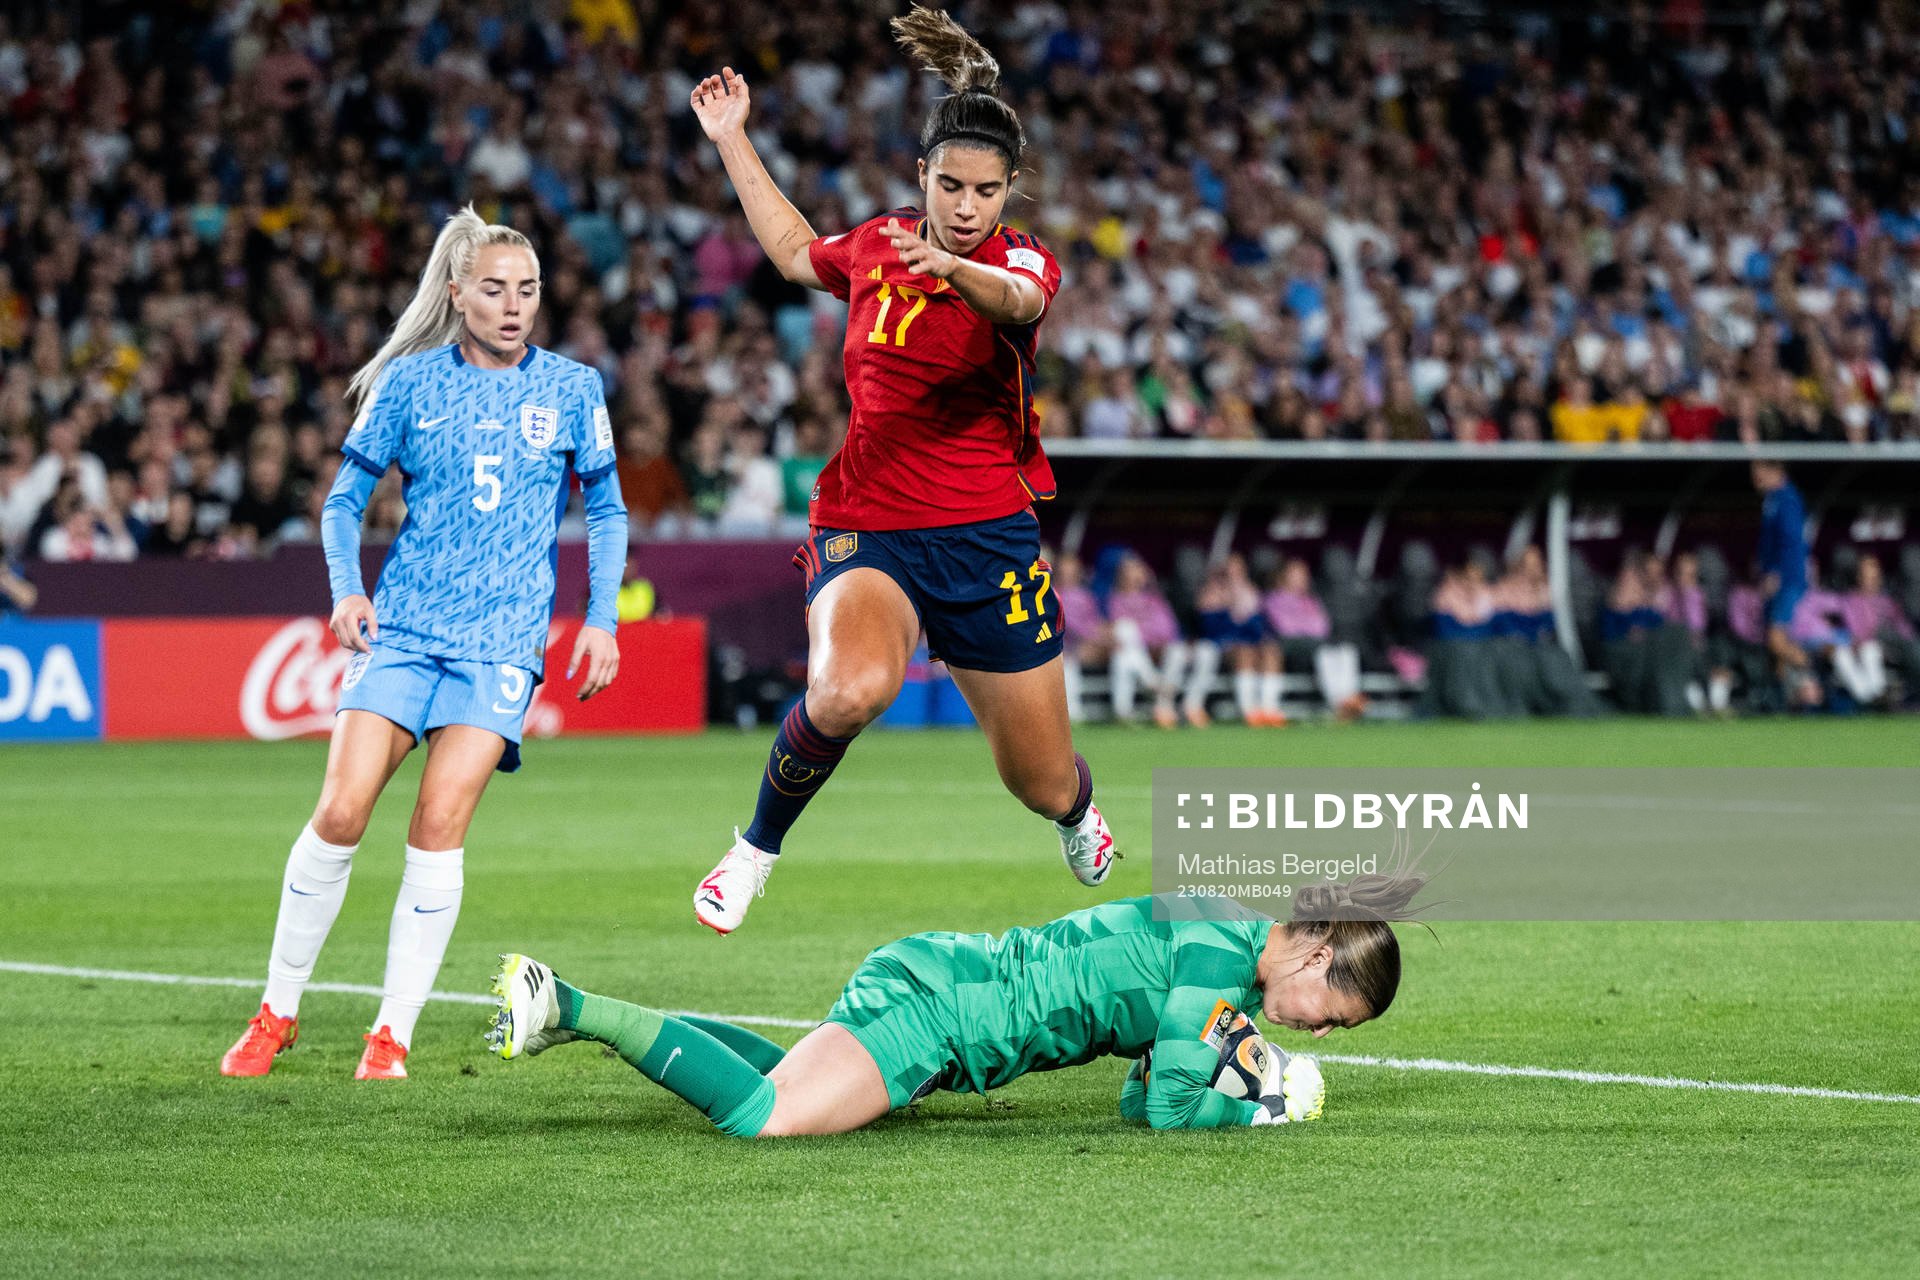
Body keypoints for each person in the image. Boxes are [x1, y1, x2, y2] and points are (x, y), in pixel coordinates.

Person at [685, 7, 1113, 934]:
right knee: (847, 690)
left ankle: (1079, 811)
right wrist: (733, 141)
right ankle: (754, 850)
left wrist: (954, 272)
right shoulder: (879, 245)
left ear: (1009, 192)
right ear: (922, 175)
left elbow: (1019, 298)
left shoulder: (1021, 263)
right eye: (950, 185)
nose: (966, 207)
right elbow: (799, 253)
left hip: (987, 539)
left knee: (1038, 781)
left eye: (987, 191)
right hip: (869, 523)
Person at [218, 207, 628, 1082]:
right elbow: (340, 504)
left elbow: (608, 508)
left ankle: (390, 1035)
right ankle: (276, 1011)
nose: (513, 305)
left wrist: (601, 620)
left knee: (439, 822)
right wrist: (345, 591)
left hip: (504, 643)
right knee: (340, 812)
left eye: (527, 290)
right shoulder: (408, 384)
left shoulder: (571, 387)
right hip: (404, 627)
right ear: (457, 295)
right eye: (494, 290)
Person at [486, 872, 1426, 1137]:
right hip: (946, 1014)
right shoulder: (1213, 974)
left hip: (945, 981)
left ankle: (573, 1011)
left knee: (781, 1072)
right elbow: (1176, 1112)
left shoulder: (1220, 942)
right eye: (1331, 1012)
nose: (1318, 1030)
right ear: (1311, 949)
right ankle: (566, 999)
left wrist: (1232, 1059)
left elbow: (1140, 1095)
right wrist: (1258, 1107)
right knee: (766, 1117)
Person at [1107, 550, 1217, 728]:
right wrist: (1148, 632)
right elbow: (1117, 628)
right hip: (1134, 649)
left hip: (1159, 647)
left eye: (1138, 571)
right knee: (1127, 631)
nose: (1135, 576)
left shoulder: (1154, 599)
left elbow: (1168, 629)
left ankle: (1191, 705)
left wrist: (1150, 634)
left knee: (1202, 650)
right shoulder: (1114, 599)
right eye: (1130, 572)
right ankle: (1162, 705)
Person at [1196, 553, 1285, 726]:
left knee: (1270, 651)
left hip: (1250, 643)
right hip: (1222, 645)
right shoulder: (1210, 593)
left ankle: (1268, 709)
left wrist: (1245, 613)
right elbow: (1210, 629)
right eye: (1228, 570)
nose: (1233, 574)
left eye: (1237, 570)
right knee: (1244, 653)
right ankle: (1249, 710)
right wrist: (1227, 608)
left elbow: (1258, 629)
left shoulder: (1251, 593)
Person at [1751, 459, 1810, 689]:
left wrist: (1775, 572)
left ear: (1775, 470)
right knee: (1776, 644)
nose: (1755, 477)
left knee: (1776, 640)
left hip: (1787, 580)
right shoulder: (1773, 499)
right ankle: (1786, 699)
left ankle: (1817, 681)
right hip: (1779, 578)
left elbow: (1790, 540)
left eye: (1758, 470)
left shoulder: (1787, 500)